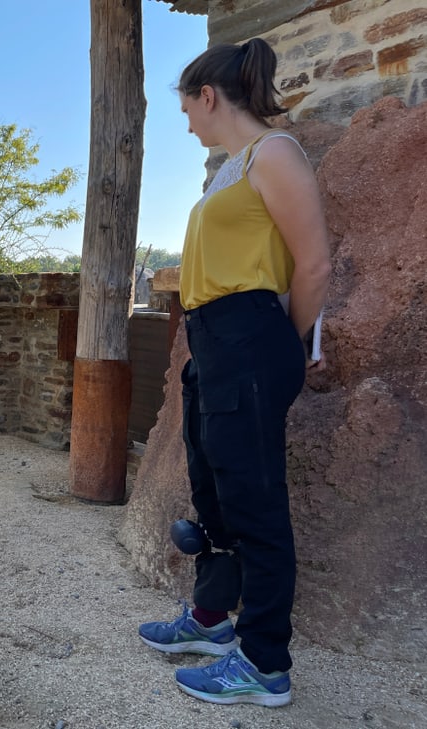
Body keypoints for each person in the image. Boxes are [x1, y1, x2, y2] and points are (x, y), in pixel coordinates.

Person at [137, 38, 331, 707]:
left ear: (208, 96)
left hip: (250, 336)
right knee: (214, 495)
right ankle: (212, 619)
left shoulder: (275, 154)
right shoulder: (231, 168)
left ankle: (265, 664)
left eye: (187, 108)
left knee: (256, 503)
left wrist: (280, 342)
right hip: (213, 341)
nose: (187, 122)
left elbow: (314, 265)